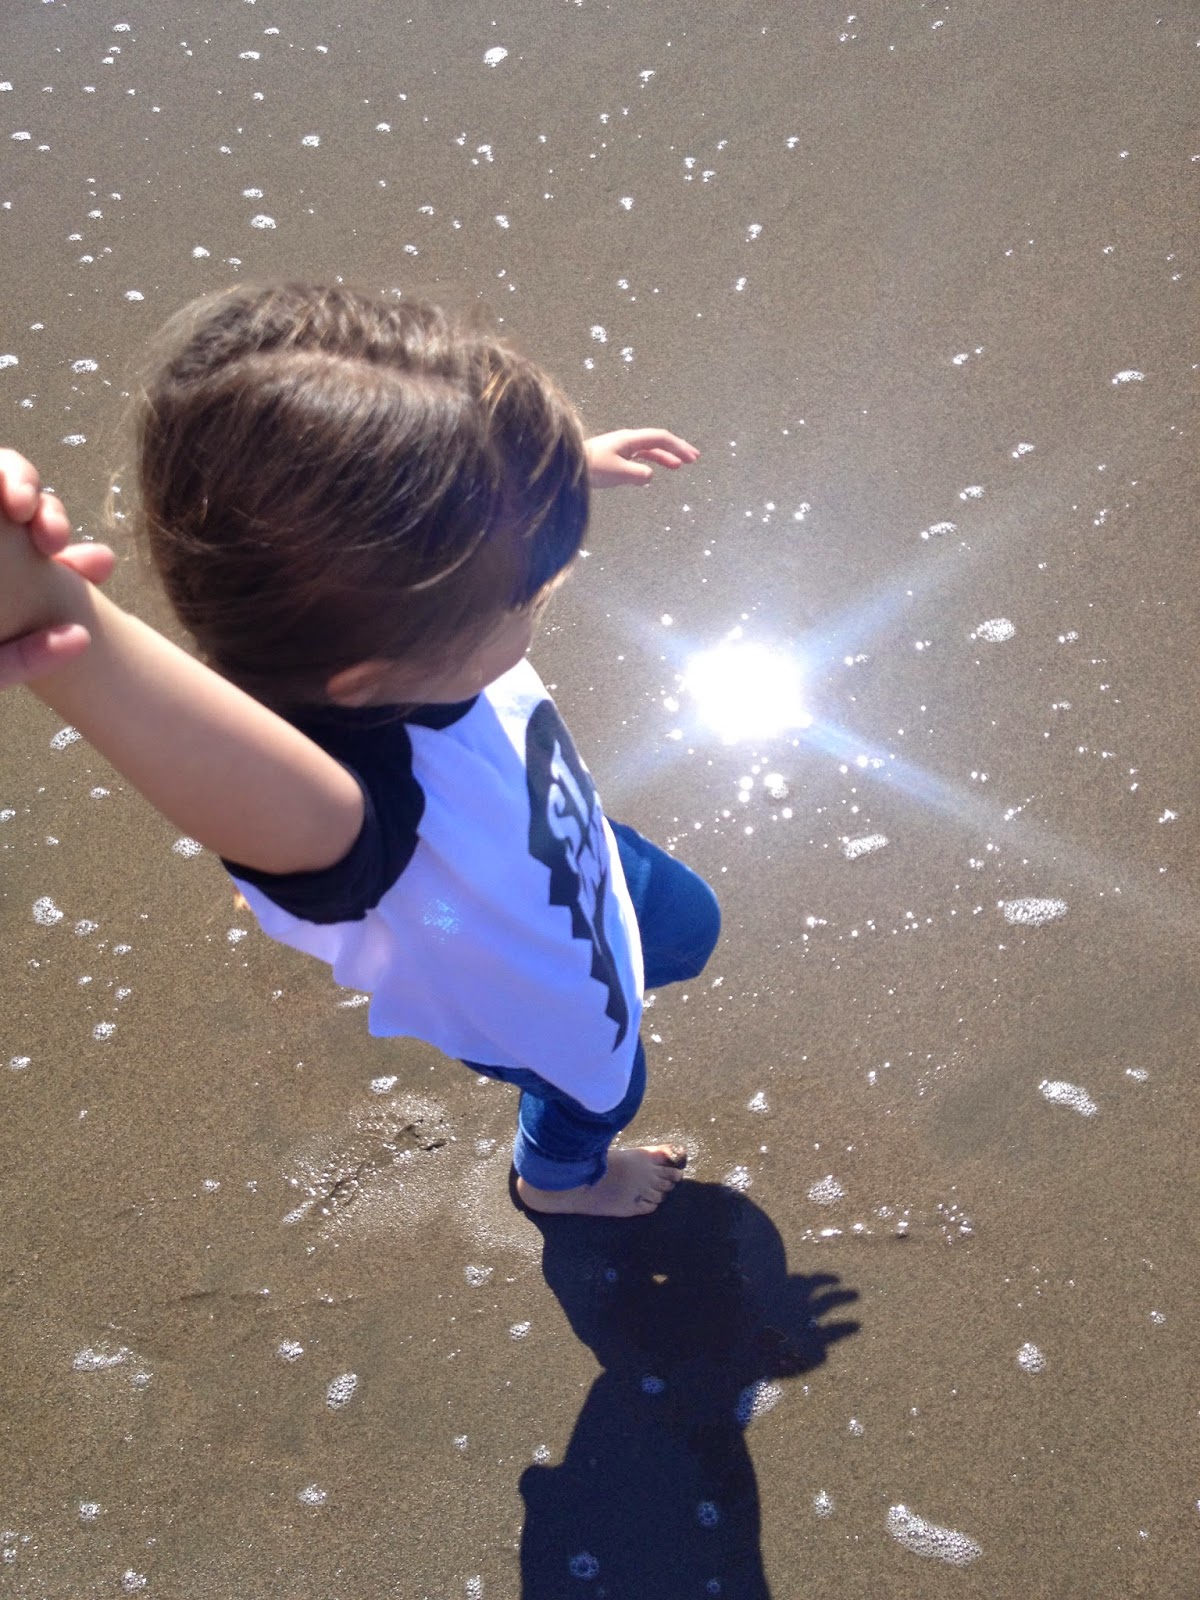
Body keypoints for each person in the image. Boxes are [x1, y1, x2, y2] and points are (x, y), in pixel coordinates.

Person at [0, 282, 719, 1218]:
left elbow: (386, 513)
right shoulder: (349, 805)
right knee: (600, 1092)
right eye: (527, 590)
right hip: (518, 981)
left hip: (558, 850)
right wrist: (50, 611)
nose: (549, 593)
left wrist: (551, 479)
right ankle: (558, 1184)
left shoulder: (385, 623)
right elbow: (203, 747)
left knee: (685, 925)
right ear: (372, 675)